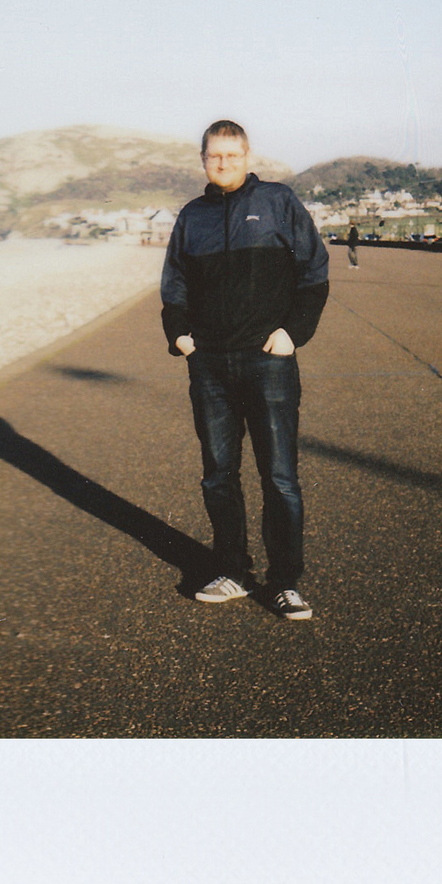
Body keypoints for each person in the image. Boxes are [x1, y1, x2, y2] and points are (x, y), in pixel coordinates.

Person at [160, 120, 330, 619]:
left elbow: (314, 271)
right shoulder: (193, 217)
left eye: (232, 156)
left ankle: (284, 582)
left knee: (279, 477)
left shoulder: (278, 202)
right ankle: (232, 571)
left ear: (247, 155)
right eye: (215, 156)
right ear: (203, 159)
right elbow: (175, 284)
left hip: (267, 360)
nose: (224, 164)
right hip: (209, 364)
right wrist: (179, 335)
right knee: (217, 475)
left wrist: (293, 333)